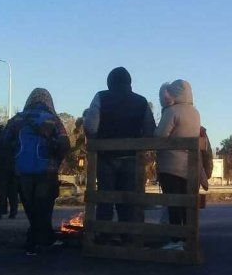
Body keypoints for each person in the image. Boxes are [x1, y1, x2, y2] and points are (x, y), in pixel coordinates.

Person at [83, 67, 156, 237]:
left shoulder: (101, 97)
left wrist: (97, 140)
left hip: (105, 158)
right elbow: (150, 129)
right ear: (130, 83)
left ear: (109, 82)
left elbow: (90, 126)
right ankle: (128, 238)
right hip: (132, 158)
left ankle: (104, 238)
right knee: (129, 200)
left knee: (105, 200)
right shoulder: (141, 101)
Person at [4, 88, 70, 255]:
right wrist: (56, 159)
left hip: (22, 170)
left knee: (30, 206)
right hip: (47, 170)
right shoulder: (53, 120)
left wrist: (14, 160)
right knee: (44, 206)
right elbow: (64, 144)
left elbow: (3, 142)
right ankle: (37, 240)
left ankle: (38, 240)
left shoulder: (17, 119)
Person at [155, 79, 201, 250]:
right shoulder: (195, 112)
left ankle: (176, 241)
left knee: (173, 203)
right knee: (185, 204)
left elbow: (160, 136)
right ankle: (189, 239)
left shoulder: (172, 111)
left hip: (171, 165)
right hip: (189, 166)